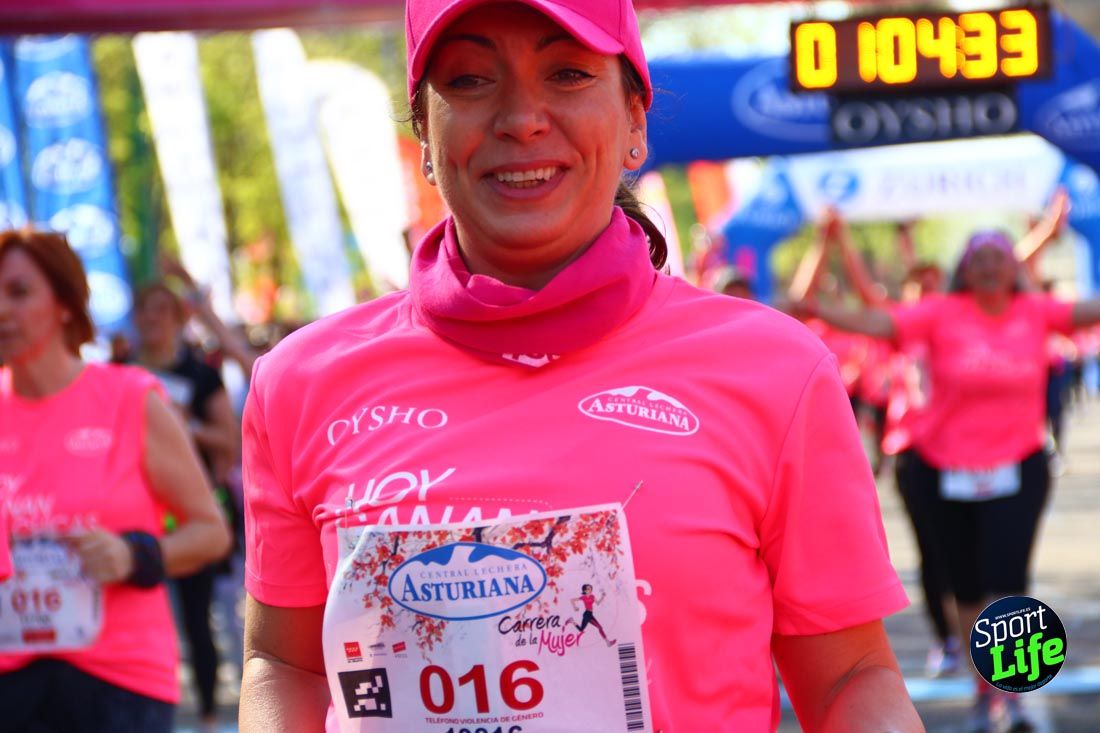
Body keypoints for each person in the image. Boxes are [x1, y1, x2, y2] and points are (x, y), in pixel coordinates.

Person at [239, 1, 923, 731]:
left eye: (566, 73)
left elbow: (850, 676)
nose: (521, 118)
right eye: (470, 80)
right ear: (425, 138)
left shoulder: (776, 373)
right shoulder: (302, 383)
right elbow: (285, 666)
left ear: (635, 122)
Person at [803, 227, 1100, 732]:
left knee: (1008, 586)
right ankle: (986, 691)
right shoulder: (940, 313)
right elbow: (877, 320)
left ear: (1014, 269)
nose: (988, 265)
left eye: (998, 257)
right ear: (966, 268)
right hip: (942, 471)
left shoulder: (1034, 312)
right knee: (965, 590)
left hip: (1018, 467)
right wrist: (814, 308)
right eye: (978, 257)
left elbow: (1087, 312)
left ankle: (1016, 692)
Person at [0, 229, 230, 732]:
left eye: (18, 292)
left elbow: (211, 531)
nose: (1, 309)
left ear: (64, 304)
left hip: (118, 685)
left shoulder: (128, 398)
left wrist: (135, 556)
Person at [132, 281, 240, 730]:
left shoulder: (199, 375)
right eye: (145, 310)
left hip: (191, 513)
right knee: (141, 616)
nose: (152, 319)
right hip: (135, 512)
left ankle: (210, 718)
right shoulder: (120, 372)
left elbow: (231, 441)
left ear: (177, 319)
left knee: (198, 618)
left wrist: (184, 426)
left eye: (162, 310)